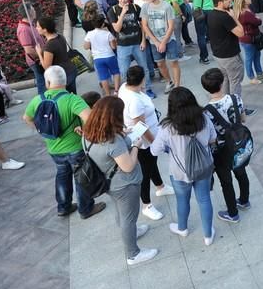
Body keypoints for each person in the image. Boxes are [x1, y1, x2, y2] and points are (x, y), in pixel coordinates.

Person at [82, 96, 158, 265]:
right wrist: (136, 146)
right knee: (128, 218)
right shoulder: (112, 141)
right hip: (124, 184)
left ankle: (132, 232)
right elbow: (128, 166)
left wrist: (124, 134)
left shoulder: (88, 132)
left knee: (121, 213)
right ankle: (133, 254)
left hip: (108, 182)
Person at [23, 66, 106, 218]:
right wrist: (87, 133)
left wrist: (45, 131)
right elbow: (90, 118)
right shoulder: (72, 99)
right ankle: (86, 209)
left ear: (47, 82)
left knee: (62, 175)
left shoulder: (37, 100)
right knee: (81, 177)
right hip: (75, 147)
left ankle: (63, 207)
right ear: (66, 81)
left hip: (53, 148)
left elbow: (26, 118)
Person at [151, 87, 217, 245]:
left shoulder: (167, 128)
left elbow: (154, 151)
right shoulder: (204, 118)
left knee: (182, 200)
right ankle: (208, 235)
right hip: (203, 168)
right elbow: (213, 139)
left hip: (179, 172)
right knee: (204, 199)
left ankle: (183, 228)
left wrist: (170, 148)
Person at [118, 66, 173, 221]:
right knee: (145, 172)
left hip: (148, 138)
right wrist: (155, 143)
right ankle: (146, 205)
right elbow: (141, 127)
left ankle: (160, 187)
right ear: (142, 79)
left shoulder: (126, 88)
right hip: (144, 142)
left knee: (152, 164)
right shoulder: (134, 101)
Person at [200, 68, 251, 223]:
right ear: (222, 83)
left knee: (226, 181)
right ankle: (244, 200)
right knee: (241, 172)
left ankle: (232, 213)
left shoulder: (206, 111)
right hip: (238, 144)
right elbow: (243, 119)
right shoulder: (235, 98)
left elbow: (209, 136)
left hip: (221, 151)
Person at [108, 0, 155, 98]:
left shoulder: (135, 7)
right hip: (123, 45)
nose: (123, 0)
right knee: (124, 71)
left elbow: (143, 25)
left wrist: (143, 40)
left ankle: (147, 89)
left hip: (137, 43)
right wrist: (123, 13)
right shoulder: (113, 11)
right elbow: (117, 29)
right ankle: (129, 91)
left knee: (144, 67)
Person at [141, 0, 180, 93]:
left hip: (169, 39)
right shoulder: (145, 7)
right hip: (154, 42)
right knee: (160, 63)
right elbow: (144, 25)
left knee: (173, 62)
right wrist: (156, 42)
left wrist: (163, 42)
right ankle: (169, 81)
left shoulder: (166, 6)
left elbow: (171, 26)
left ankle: (177, 86)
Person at [35, 16, 77, 93]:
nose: (36, 28)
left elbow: (47, 67)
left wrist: (39, 54)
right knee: (73, 96)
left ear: (45, 29)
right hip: (70, 70)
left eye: (38, 26)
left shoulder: (49, 46)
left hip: (61, 76)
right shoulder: (60, 36)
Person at [185, 0, 215, 64]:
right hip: (210, 9)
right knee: (212, 32)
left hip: (198, 10)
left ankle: (204, 57)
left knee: (200, 35)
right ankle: (216, 51)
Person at [83, 15, 121, 96]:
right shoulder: (107, 34)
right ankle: (116, 91)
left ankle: (107, 94)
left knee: (103, 77)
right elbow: (113, 46)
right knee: (116, 72)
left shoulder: (89, 34)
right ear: (103, 24)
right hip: (110, 56)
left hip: (98, 58)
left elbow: (86, 47)